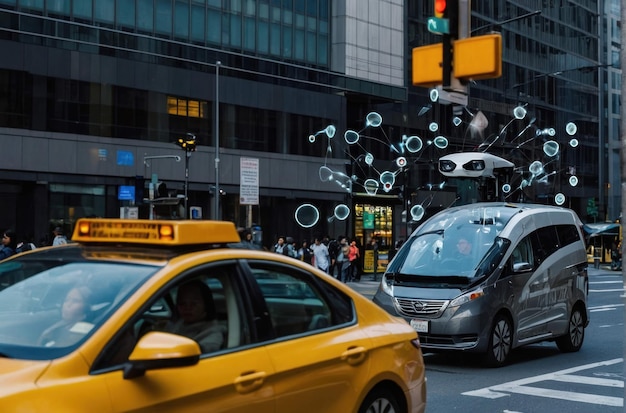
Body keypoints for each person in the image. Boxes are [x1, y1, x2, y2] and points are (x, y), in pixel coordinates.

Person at [166, 280, 225, 353]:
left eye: (194, 303)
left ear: (206, 304)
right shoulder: (178, 324)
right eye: (182, 303)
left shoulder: (213, 334)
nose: (187, 308)